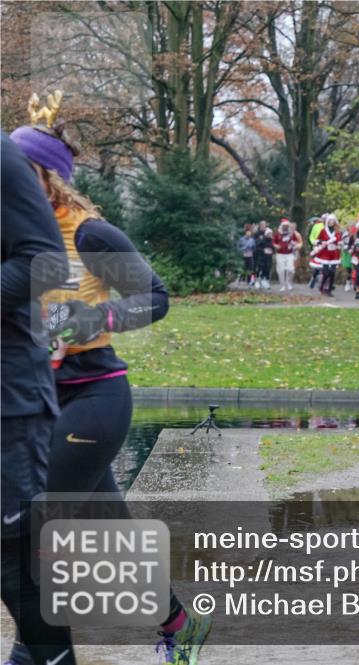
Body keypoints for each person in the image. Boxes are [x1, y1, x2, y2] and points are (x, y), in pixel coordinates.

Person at [10, 114, 212, 664]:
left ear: (46, 176)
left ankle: (35, 649)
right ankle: (177, 621)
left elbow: (158, 296)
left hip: (93, 397)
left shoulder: (89, 232)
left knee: (34, 517)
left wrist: (96, 316)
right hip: (35, 402)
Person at [1, 130, 76, 665]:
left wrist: (97, 320)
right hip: (47, 381)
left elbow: (46, 262)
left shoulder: (93, 234)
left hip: (35, 398)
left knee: (19, 560)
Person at [309, 214, 341, 296]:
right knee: (326, 272)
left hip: (334, 254)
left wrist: (339, 244)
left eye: (333, 221)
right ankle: (322, 287)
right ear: (327, 222)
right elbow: (317, 240)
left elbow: (340, 241)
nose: (331, 222)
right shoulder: (323, 231)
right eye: (330, 221)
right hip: (325, 254)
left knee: (332, 272)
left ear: (335, 222)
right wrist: (320, 242)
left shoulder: (337, 231)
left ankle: (329, 290)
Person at [273, 218, 300, 292]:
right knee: (281, 270)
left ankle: (289, 282)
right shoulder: (277, 233)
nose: (286, 227)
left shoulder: (292, 233)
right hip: (280, 254)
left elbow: (297, 241)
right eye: (284, 225)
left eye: (287, 225)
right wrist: (276, 246)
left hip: (289, 253)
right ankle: (282, 285)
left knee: (291, 269)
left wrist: (294, 244)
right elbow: (273, 242)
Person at [307, 215, 325, 288]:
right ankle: (313, 278)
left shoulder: (331, 228)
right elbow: (311, 237)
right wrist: (315, 242)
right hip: (318, 247)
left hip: (327, 249)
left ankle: (326, 282)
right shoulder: (316, 226)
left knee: (327, 267)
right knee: (317, 265)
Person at [254, 222, 274, 289]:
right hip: (260, 255)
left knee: (267, 268)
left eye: (264, 225)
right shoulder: (257, 234)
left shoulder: (271, 239)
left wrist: (272, 250)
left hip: (268, 256)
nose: (263, 226)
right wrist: (263, 250)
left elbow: (274, 247)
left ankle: (265, 281)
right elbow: (257, 245)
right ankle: (257, 280)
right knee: (260, 267)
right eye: (262, 225)